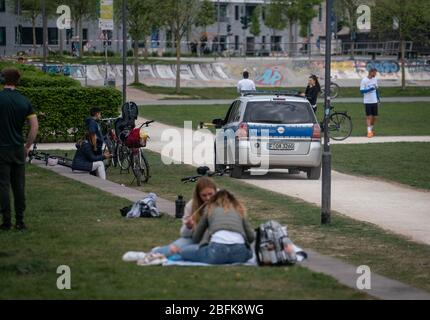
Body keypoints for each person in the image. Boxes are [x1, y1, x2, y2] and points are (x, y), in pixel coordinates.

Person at [0, 68, 39, 231]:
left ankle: (6, 222)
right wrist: (27, 146)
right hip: (18, 149)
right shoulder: (24, 101)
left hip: (1, 149)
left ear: (3, 80)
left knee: (3, 186)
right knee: (19, 186)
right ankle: (20, 221)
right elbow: (34, 127)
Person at [175, 189, 255, 265]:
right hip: (240, 253)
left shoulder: (210, 208)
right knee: (249, 254)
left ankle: (180, 251)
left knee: (185, 251)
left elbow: (196, 237)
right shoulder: (238, 209)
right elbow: (251, 237)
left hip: (216, 251)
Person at [151, 177, 218, 257]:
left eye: (211, 194)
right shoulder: (191, 205)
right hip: (195, 239)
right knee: (172, 250)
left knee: (189, 252)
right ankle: (156, 251)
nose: (208, 198)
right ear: (198, 195)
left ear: (216, 192)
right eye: (204, 195)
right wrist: (188, 227)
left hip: (215, 240)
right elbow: (184, 234)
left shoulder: (223, 201)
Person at [360, 68, 380, 138]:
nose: (375, 74)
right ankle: (369, 132)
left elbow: (376, 89)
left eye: (376, 73)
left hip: (374, 101)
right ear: (370, 72)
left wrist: (378, 99)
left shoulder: (375, 79)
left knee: (375, 117)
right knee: (369, 117)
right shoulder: (364, 80)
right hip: (367, 101)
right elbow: (362, 91)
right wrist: (370, 89)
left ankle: (370, 129)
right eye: (374, 73)